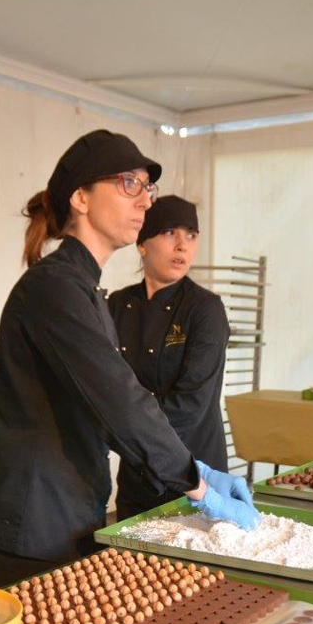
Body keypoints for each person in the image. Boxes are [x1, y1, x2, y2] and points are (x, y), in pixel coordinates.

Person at [0, 130, 259, 587]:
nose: (145, 200)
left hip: (69, 513)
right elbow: (119, 400)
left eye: (148, 187)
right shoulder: (55, 287)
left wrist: (192, 470)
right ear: (81, 197)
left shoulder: (85, 289)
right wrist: (197, 481)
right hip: (31, 530)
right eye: (129, 183)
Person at [107, 196, 230, 521]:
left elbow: (191, 404)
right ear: (142, 243)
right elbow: (107, 385)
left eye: (191, 235)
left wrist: (125, 432)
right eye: (169, 232)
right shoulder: (117, 305)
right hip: (137, 473)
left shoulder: (205, 309)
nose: (182, 245)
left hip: (195, 471)